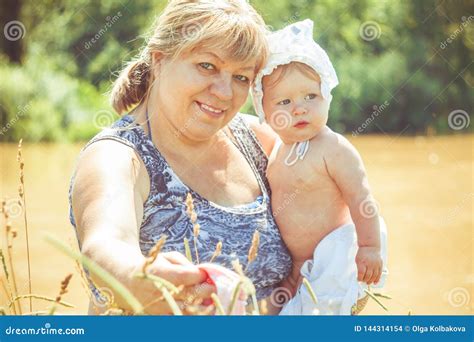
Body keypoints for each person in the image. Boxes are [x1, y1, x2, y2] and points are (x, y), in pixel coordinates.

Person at [69, 0, 292, 315]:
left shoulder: (259, 140)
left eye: (241, 77)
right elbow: (105, 246)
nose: (225, 92)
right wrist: (140, 279)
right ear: (160, 60)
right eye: (207, 66)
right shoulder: (117, 155)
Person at [251, 19, 388, 315]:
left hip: (334, 257)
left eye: (310, 96)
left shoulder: (334, 149)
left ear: (327, 95)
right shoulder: (278, 148)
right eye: (284, 101)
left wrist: (370, 248)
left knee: (322, 315)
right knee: (278, 312)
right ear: (263, 110)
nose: (299, 108)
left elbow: (361, 199)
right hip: (296, 263)